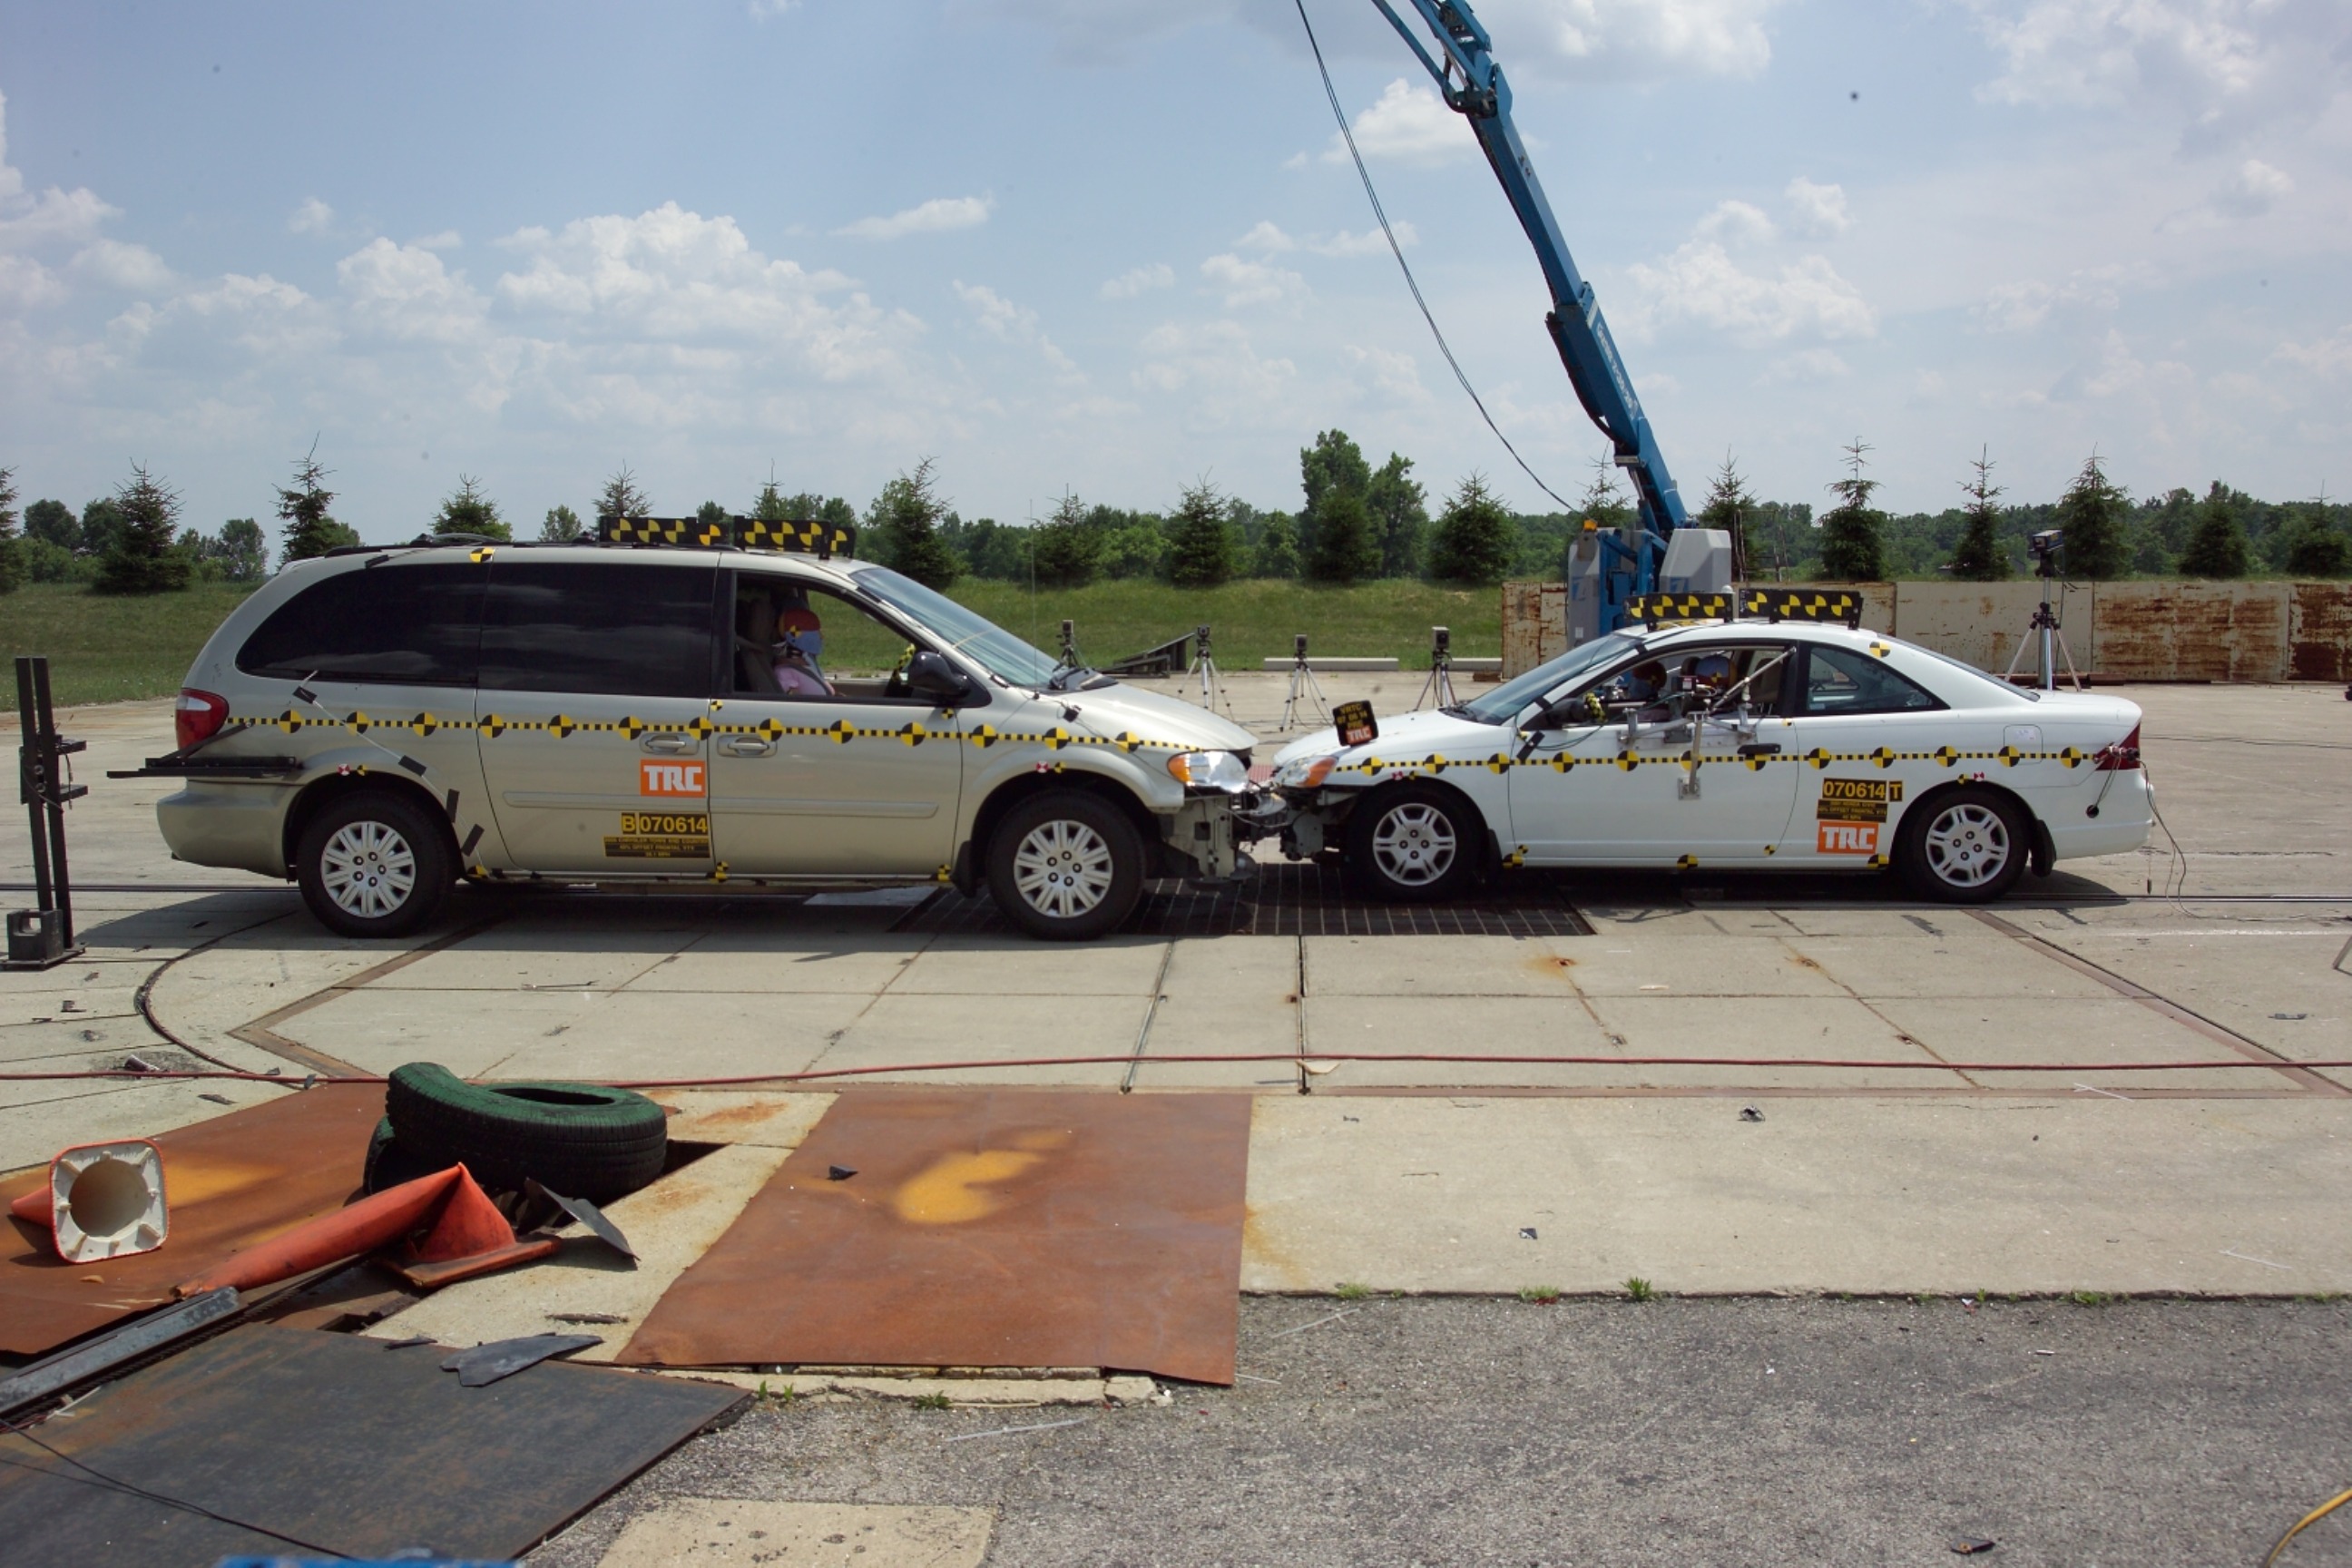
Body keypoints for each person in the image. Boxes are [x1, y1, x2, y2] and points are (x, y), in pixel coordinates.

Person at [772, 602, 831, 697]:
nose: (821, 637)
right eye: (815, 633)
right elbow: (794, 706)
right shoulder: (785, 672)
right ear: (794, 635)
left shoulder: (808, 661)